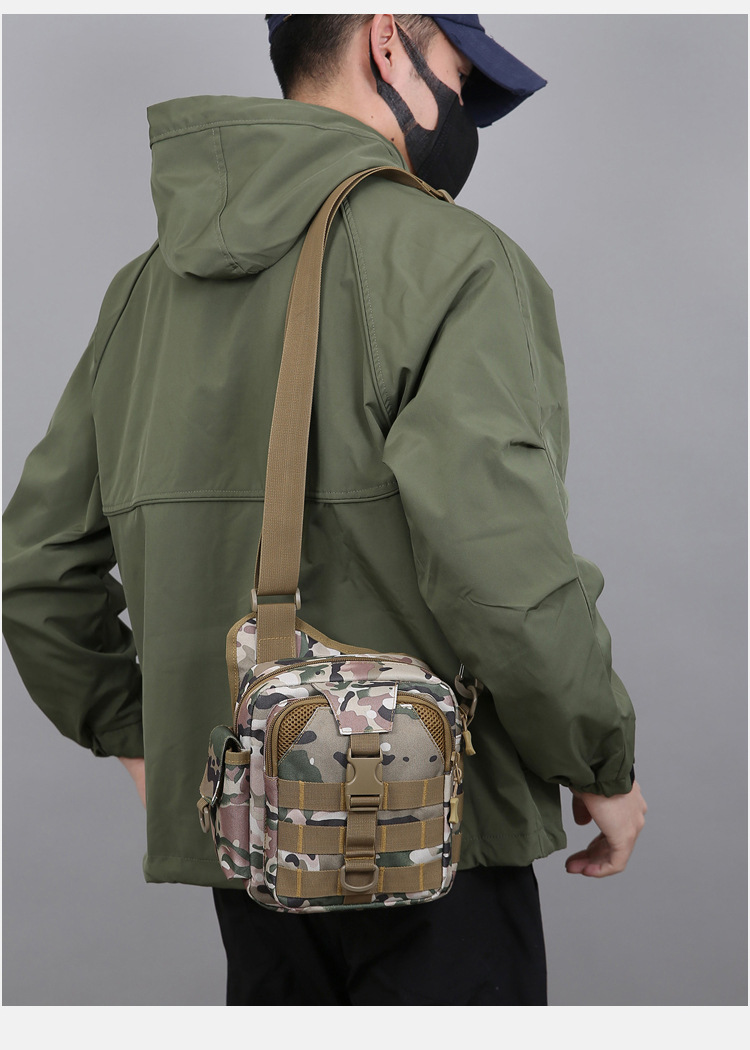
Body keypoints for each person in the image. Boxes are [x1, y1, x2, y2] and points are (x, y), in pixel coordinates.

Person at [2, 13, 646, 1006]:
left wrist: (145, 740)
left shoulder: (142, 292)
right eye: (460, 76)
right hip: (437, 833)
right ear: (388, 42)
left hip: (253, 835)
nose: (464, 112)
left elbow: (35, 568)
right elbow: (504, 572)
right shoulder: (455, 261)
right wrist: (599, 762)